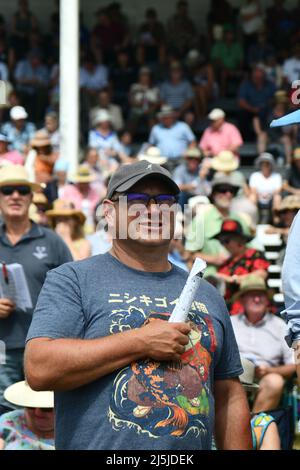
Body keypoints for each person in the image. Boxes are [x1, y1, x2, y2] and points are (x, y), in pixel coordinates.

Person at [25, 160, 252, 450]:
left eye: (165, 201)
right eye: (137, 200)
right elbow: (39, 368)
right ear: (109, 211)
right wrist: (141, 341)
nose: (154, 210)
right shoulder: (73, 280)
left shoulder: (207, 294)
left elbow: (229, 394)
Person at [0, 165, 72, 415]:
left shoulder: (52, 241)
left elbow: (74, 293)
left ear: (31, 197)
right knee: (6, 415)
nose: (15, 196)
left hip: (45, 345)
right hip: (3, 346)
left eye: (22, 190)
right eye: (7, 191)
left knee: (47, 414)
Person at [231, 275, 295, 413]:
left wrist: (269, 371)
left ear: (267, 300)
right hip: (234, 376)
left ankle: (252, 428)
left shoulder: (280, 326)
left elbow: (293, 365)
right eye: (251, 295)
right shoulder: (230, 323)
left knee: (275, 381)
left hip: (264, 377)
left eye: (260, 295)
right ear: (242, 300)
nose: (257, 299)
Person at [185, 174, 251, 276]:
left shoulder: (241, 220)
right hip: (210, 277)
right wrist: (213, 259)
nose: (228, 194)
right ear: (214, 194)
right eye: (223, 190)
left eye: (232, 191)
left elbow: (251, 248)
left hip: (239, 276)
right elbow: (189, 255)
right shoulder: (201, 220)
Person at [213, 219, 269, 315]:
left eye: (226, 240)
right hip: (230, 312)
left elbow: (261, 275)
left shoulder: (254, 255)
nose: (224, 245)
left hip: (254, 309)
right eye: (221, 242)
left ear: (240, 239)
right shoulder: (225, 263)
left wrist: (232, 279)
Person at [0, 381, 54, 450]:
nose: (37, 413)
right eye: (31, 406)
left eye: (46, 409)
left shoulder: (70, 435)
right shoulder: (11, 420)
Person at [238, 66, 276, 151]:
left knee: (273, 113)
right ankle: (247, 140)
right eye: (256, 77)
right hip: (250, 111)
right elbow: (241, 102)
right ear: (252, 76)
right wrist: (252, 109)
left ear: (264, 77)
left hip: (267, 111)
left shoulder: (270, 85)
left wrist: (271, 103)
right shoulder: (246, 85)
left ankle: (269, 136)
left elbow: (276, 98)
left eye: (260, 77)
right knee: (242, 114)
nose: (258, 79)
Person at [249, 152, 282, 223]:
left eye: (267, 164)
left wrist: (268, 195)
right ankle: (251, 220)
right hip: (258, 198)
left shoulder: (277, 176)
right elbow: (253, 190)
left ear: (271, 165)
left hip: (271, 199)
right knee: (252, 197)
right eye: (263, 164)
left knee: (277, 197)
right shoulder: (255, 175)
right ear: (260, 165)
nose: (265, 166)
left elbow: (277, 191)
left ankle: (277, 220)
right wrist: (260, 195)